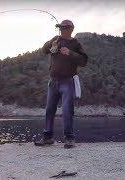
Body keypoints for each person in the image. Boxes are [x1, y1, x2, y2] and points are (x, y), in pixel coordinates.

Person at [34, 19, 88, 148]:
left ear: (70, 29)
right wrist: (50, 44)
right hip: (53, 82)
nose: (61, 30)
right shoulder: (56, 39)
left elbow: (84, 61)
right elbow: (44, 50)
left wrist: (70, 53)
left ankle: (69, 139)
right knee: (49, 110)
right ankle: (48, 138)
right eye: (60, 28)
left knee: (67, 110)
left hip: (68, 82)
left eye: (63, 28)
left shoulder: (76, 43)